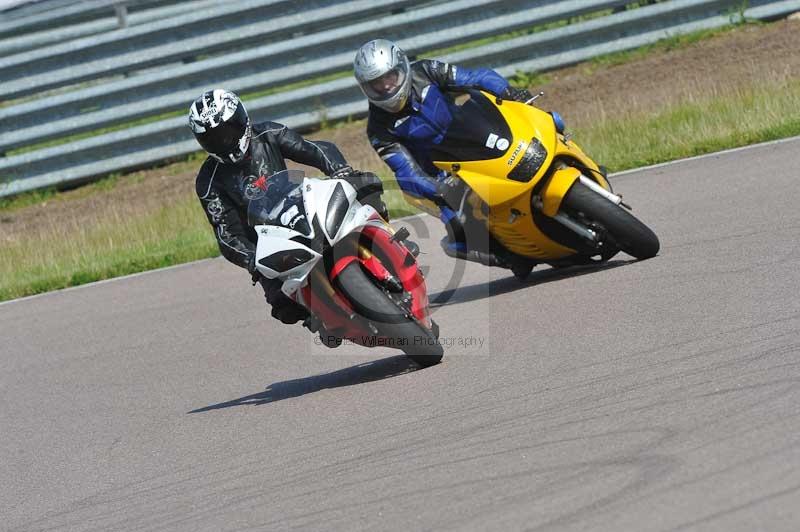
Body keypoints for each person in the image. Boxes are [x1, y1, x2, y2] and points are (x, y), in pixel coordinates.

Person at [189, 88, 386, 324]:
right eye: (214, 138)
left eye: (228, 131)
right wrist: (252, 260)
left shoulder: (268, 134)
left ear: (242, 120)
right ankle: (327, 319)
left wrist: (339, 170)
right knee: (284, 308)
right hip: (268, 244)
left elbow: (312, 149)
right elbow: (226, 234)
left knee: (366, 186)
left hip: (303, 207)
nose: (224, 141)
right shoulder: (208, 181)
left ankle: (388, 241)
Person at [354, 39, 533, 267]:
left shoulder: (427, 71)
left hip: (475, 137)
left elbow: (475, 78)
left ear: (402, 68)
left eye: (388, 77)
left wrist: (509, 92)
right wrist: (439, 189)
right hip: (445, 173)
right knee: (461, 228)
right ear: (365, 88)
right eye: (376, 84)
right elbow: (405, 171)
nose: (385, 87)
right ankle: (511, 257)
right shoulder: (378, 129)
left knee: (546, 126)